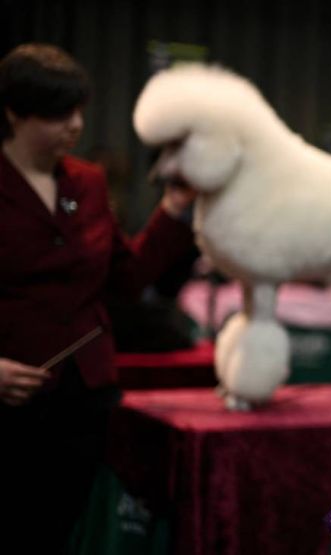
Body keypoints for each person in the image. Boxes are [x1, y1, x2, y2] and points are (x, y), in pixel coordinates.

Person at [0, 43, 196, 551]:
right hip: (10, 399)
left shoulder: (86, 183)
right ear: (13, 113)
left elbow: (127, 278)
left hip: (84, 397)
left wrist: (173, 210)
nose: (75, 125)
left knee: (61, 530)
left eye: (80, 111)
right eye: (59, 113)